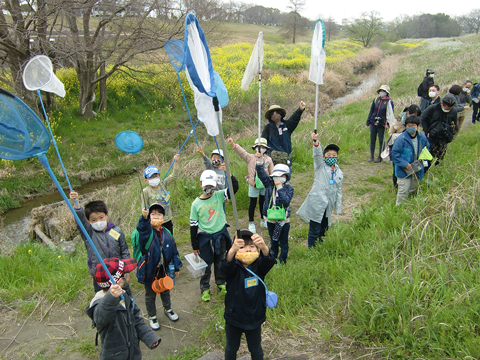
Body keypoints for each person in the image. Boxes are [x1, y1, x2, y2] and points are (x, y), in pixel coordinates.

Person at [85, 258, 161, 360]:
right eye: (124, 273)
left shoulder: (124, 295)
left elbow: (135, 318)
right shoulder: (100, 303)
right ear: (118, 281)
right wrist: (111, 298)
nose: (126, 275)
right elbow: (100, 319)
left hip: (133, 352)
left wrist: (148, 336)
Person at [219, 230, 276, 360]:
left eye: (252, 246)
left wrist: (264, 247)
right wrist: (232, 250)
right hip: (234, 317)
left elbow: (269, 260)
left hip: (254, 317)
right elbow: (225, 265)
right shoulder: (233, 267)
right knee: (231, 348)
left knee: (255, 348)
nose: (248, 250)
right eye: (242, 247)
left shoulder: (259, 266)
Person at [70, 191, 131, 293]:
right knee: (105, 301)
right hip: (100, 275)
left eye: (101, 218)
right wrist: (76, 204)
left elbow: (124, 251)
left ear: (106, 215)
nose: (98, 222)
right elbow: (80, 220)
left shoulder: (116, 231)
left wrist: (127, 271)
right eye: (93, 220)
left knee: (124, 297)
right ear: (89, 221)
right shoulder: (89, 234)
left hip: (118, 272)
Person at [136, 203, 182, 330]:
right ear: (149, 216)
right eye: (153, 214)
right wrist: (144, 219)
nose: (156, 217)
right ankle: (152, 316)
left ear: (164, 217)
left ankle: (168, 309)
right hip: (149, 270)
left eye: (159, 214)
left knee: (166, 290)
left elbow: (174, 250)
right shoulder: (146, 232)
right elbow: (142, 229)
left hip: (164, 269)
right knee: (150, 294)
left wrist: (176, 267)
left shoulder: (166, 232)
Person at [190, 170, 233, 302]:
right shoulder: (196, 204)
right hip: (205, 238)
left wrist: (228, 174)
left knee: (220, 259)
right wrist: (195, 245)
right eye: (206, 186)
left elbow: (233, 189)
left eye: (211, 186)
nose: (208, 189)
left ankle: (220, 282)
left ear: (215, 185)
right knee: (206, 264)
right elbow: (193, 226)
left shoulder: (219, 196)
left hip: (220, 234)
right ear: (200, 184)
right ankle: (205, 288)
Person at [297, 132, 343, 247]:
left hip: (328, 205)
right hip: (317, 203)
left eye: (334, 155)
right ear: (324, 157)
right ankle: (312, 249)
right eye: (328, 155)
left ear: (337, 157)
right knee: (315, 228)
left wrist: (338, 208)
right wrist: (316, 143)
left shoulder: (339, 172)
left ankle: (320, 246)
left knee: (324, 228)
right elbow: (316, 155)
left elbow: (339, 190)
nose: (331, 157)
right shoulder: (320, 166)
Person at [227, 137, 274, 234]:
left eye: (262, 147)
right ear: (255, 148)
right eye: (258, 147)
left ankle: (263, 219)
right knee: (252, 203)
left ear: (266, 148)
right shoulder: (251, 158)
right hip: (253, 185)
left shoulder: (268, 159)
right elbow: (242, 152)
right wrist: (233, 144)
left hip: (264, 185)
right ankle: (251, 222)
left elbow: (272, 171)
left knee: (263, 203)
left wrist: (272, 182)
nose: (260, 149)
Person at [255, 158, 294, 263]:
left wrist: (280, 187)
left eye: (281, 176)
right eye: (276, 175)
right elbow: (261, 174)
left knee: (284, 242)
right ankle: (273, 259)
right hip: (270, 218)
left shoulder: (289, 188)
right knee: (273, 240)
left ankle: (282, 260)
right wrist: (259, 162)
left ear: (286, 177)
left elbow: (286, 201)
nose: (278, 178)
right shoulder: (269, 185)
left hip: (283, 220)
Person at [391, 116, 430, 205]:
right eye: (409, 125)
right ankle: (399, 209)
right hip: (403, 171)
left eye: (413, 125)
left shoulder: (422, 137)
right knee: (403, 190)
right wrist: (405, 164)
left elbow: (427, 148)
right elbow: (395, 154)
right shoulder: (401, 139)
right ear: (405, 126)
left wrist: (423, 158)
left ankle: (409, 207)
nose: (411, 128)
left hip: (417, 168)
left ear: (418, 126)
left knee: (413, 189)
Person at [142, 154, 180, 235]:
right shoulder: (146, 191)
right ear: (146, 180)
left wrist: (175, 162)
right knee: (157, 241)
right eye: (151, 177)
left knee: (169, 238)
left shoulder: (163, 184)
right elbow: (144, 208)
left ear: (159, 176)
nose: (154, 178)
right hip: (155, 221)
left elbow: (174, 176)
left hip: (167, 219)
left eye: (156, 176)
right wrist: (146, 219)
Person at [261, 101, 306, 165]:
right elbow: (263, 143)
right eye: (273, 113)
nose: (275, 114)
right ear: (270, 116)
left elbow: (294, 119)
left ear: (281, 114)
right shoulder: (267, 128)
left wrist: (300, 110)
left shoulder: (287, 125)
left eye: (277, 113)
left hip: (286, 160)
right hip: (272, 161)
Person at [388, 104, 421, 188]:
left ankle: (410, 188)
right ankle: (396, 187)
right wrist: (401, 137)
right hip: (397, 146)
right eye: (413, 115)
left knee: (410, 168)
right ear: (408, 113)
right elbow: (390, 133)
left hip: (411, 149)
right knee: (397, 167)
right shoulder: (398, 120)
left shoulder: (417, 125)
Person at [420, 94, 457, 165]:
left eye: (450, 109)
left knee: (441, 156)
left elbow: (454, 123)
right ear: (442, 103)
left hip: (444, 137)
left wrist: (452, 133)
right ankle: (426, 168)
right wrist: (427, 131)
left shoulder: (453, 111)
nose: (448, 110)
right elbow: (423, 119)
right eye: (446, 108)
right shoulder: (432, 108)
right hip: (432, 136)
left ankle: (438, 167)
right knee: (429, 155)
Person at [366, 85, 394, 163]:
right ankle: (371, 155)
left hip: (382, 124)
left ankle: (380, 156)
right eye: (381, 90)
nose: (382, 92)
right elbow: (371, 111)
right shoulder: (376, 100)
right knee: (372, 139)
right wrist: (368, 121)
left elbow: (390, 113)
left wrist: (388, 123)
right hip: (373, 122)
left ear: (387, 92)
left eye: (383, 91)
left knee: (381, 140)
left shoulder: (389, 101)